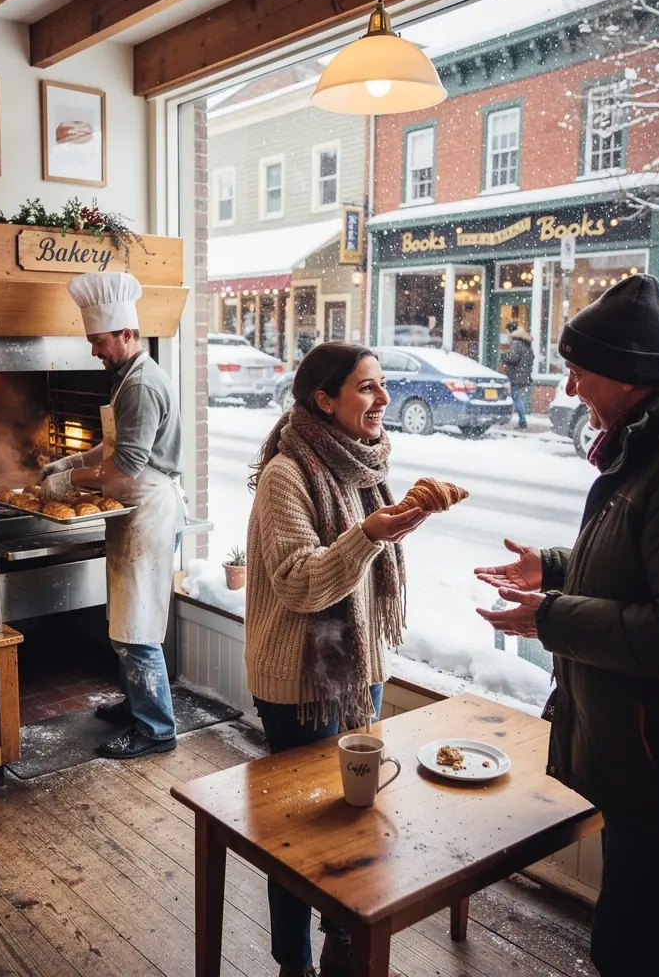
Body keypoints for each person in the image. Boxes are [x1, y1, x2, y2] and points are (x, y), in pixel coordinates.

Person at [476, 274, 659, 977]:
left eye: (580, 370)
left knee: (647, 950)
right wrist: (554, 568)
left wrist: (551, 617)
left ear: (629, 374)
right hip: (654, 759)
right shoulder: (655, 441)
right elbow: (642, 562)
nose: (571, 386)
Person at [245, 342, 430, 977]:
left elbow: (362, 574)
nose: (382, 400)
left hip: (358, 676)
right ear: (324, 399)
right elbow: (300, 583)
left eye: (382, 386)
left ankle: (343, 946)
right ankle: (292, 963)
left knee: (354, 822)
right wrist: (369, 536)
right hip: (300, 683)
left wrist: (380, 532)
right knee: (300, 839)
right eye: (366, 388)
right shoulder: (287, 475)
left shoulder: (364, 467)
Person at [39, 271, 186, 760]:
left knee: (137, 618)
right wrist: (73, 460)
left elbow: (126, 465)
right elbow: (113, 445)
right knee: (124, 613)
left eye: (99, 342)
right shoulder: (128, 377)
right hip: (132, 505)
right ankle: (135, 704)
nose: (94, 352)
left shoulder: (142, 385)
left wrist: (67, 483)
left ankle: (156, 728)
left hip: (146, 503)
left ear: (126, 334)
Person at [501, 320, 535, 430]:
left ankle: (522, 421)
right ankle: (520, 420)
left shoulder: (516, 342)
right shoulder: (524, 341)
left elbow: (513, 358)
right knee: (515, 397)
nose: (506, 334)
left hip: (516, 375)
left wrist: (504, 356)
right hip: (522, 374)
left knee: (515, 398)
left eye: (506, 331)